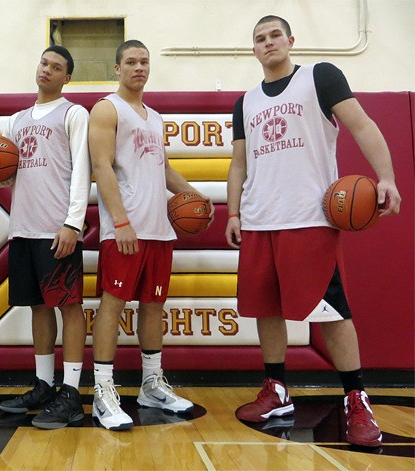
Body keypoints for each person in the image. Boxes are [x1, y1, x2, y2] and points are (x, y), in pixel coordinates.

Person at [225, 16, 401, 448]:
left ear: (290, 40)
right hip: (260, 218)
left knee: (333, 313)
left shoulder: (319, 76)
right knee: (265, 309)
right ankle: (277, 389)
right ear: (254, 50)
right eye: (260, 39)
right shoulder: (245, 101)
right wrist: (233, 214)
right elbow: (239, 164)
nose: (268, 43)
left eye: (274, 36)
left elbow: (361, 124)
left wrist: (386, 177)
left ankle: (356, 398)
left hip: (310, 220)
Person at [88, 39, 214, 431]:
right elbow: (102, 167)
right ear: (117, 68)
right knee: (112, 305)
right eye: (130, 62)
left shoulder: (155, 117)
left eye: (144, 62)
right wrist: (121, 221)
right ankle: (103, 392)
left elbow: (164, 170)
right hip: (125, 228)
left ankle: (151, 385)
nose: (138, 67)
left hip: (159, 229)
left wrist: (193, 195)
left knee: (153, 306)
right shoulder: (107, 109)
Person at [0, 46, 91, 430]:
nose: (47, 70)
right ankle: (43, 384)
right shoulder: (16, 120)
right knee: (38, 307)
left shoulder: (74, 114)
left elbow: (82, 170)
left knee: (69, 306)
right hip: (22, 228)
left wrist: (74, 223)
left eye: (57, 67)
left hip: (58, 229)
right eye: (44, 63)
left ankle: (70, 393)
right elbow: (8, 175)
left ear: (67, 78)